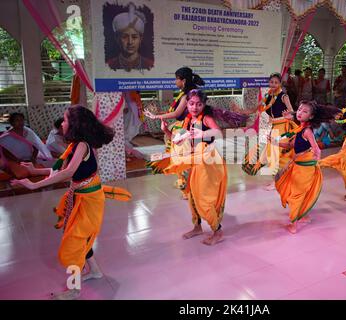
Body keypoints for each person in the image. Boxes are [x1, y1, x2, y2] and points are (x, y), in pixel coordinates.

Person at [11, 106, 131, 300]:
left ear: (75, 124)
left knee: (74, 243)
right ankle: (95, 271)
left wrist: (34, 186)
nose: (62, 123)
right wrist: (34, 171)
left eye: (65, 120)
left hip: (89, 199)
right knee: (79, 238)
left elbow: (66, 173)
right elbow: (64, 169)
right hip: (80, 196)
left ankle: (74, 291)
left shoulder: (82, 145)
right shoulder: (75, 145)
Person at [162, 90, 227, 245]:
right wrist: (165, 131)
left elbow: (218, 133)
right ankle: (197, 227)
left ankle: (217, 231)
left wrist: (202, 134)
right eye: (191, 103)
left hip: (208, 163)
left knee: (203, 198)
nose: (194, 107)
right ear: (187, 104)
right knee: (191, 196)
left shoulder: (206, 118)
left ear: (204, 105)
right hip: (194, 161)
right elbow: (177, 140)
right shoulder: (188, 119)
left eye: (199, 104)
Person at [271, 101, 339, 233]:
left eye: (305, 111)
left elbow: (316, 148)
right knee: (287, 186)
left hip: (305, 167)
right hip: (297, 165)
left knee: (296, 193)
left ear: (311, 116)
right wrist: (275, 143)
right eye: (300, 109)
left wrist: (317, 156)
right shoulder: (299, 128)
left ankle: (294, 224)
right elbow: (292, 145)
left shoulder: (307, 131)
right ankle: (303, 215)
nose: (300, 112)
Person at [144, 67, 205, 199]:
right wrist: (157, 114)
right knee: (182, 159)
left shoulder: (187, 95)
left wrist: (157, 117)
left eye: (176, 79)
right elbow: (176, 112)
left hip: (187, 129)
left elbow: (177, 113)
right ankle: (189, 188)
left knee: (183, 159)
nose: (174, 81)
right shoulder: (185, 93)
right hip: (184, 128)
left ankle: (189, 189)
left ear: (183, 80)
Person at [240, 72, 296, 191]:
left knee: (274, 154)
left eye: (276, 82)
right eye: (271, 82)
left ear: (280, 83)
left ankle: (277, 182)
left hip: (282, 128)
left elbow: (292, 113)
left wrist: (280, 118)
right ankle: (277, 179)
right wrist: (243, 111)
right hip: (273, 127)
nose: (273, 84)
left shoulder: (283, 96)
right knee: (270, 154)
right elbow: (257, 108)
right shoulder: (268, 95)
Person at [0, 113, 52, 179]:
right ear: (12, 123)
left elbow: (36, 145)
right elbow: (5, 152)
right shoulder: (6, 137)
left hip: (29, 158)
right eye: (17, 120)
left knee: (41, 170)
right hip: (14, 160)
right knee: (22, 174)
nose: (20, 122)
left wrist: (33, 158)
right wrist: (17, 160)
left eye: (22, 120)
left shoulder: (28, 132)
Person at [107, 3, 153, 71]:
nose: (130, 42)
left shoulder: (150, 65)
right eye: (125, 37)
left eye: (134, 37)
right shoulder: (109, 65)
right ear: (117, 38)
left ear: (141, 39)